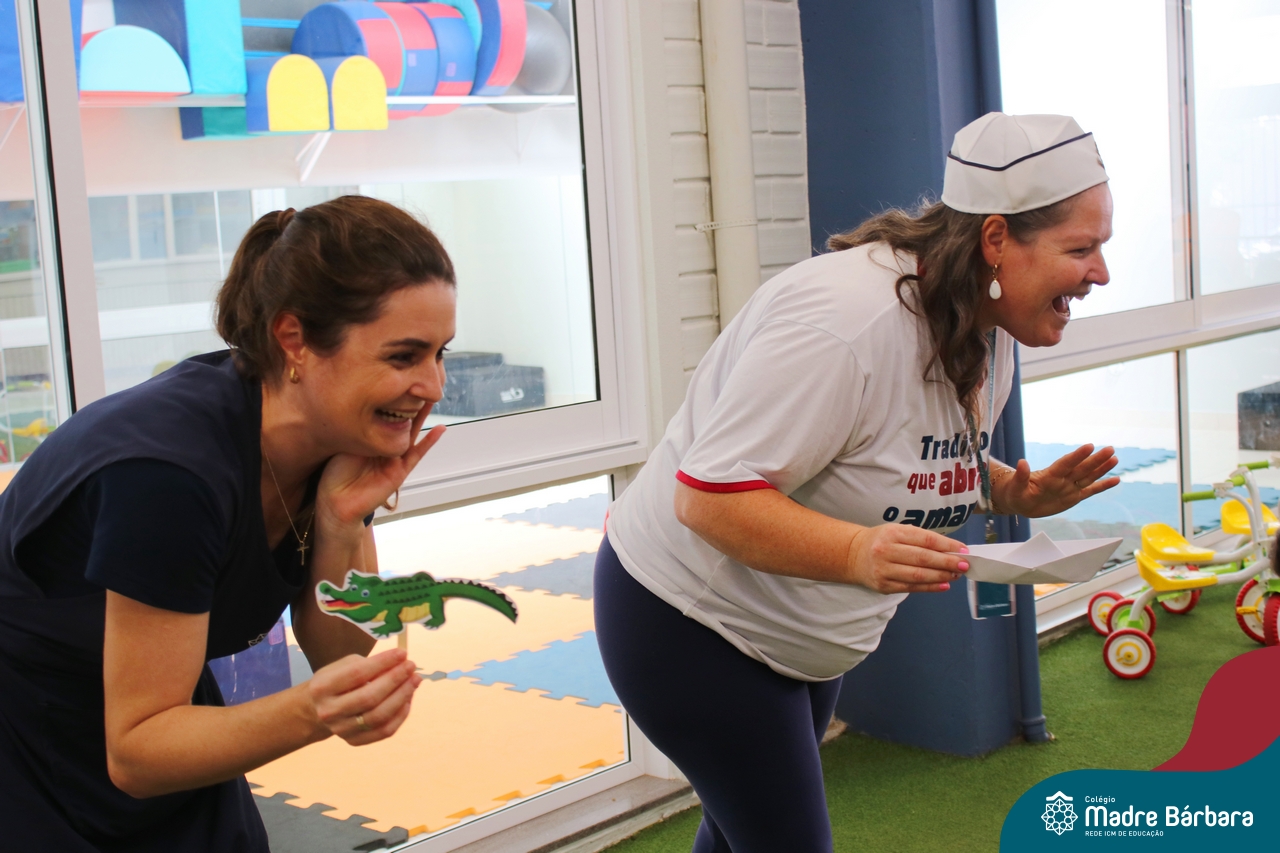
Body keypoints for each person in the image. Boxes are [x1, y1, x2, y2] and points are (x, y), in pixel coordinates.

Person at [594, 113, 1122, 852]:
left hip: (802, 633)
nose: (1101, 273)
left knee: (741, 832)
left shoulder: (987, 318)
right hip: (695, 619)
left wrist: (1007, 491)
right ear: (997, 239)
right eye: (1082, 248)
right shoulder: (846, 322)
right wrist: (856, 553)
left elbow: (902, 447)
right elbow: (707, 496)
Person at [0, 195, 457, 851]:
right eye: (404, 357)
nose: (433, 385)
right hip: (30, 720)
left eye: (440, 353)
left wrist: (340, 521)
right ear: (294, 340)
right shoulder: (168, 476)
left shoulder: (326, 436)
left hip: (159, 702)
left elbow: (341, 654)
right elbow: (137, 753)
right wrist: (311, 710)